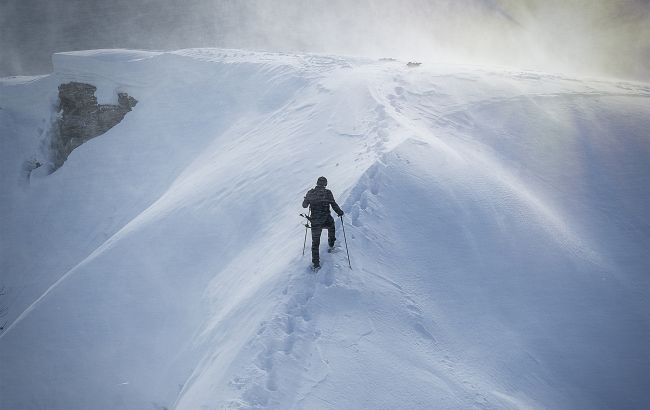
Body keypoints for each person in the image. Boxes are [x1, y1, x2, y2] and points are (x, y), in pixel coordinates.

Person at [302, 176, 344, 269]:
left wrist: (307, 198)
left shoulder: (311, 192)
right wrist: (339, 212)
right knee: (332, 227)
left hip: (315, 222)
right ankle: (331, 245)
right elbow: (333, 204)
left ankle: (316, 264)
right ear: (325, 184)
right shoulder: (328, 193)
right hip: (326, 220)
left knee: (315, 243)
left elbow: (304, 206)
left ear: (317, 183)